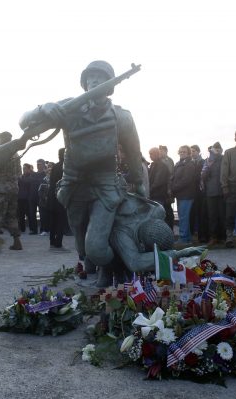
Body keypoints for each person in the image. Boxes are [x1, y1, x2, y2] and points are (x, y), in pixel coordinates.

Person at [19, 60, 144, 283]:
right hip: (73, 186)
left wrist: (139, 182)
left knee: (96, 247)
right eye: (90, 78)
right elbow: (24, 122)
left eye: (101, 77)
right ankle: (91, 264)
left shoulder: (121, 117)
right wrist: (43, 108)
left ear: (110, 84)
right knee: (80, 241)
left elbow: (134, 153)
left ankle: (112, 266)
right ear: (84, 84)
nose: (94, 81)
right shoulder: (69, 108)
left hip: (104, 186)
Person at [0, 131, 23, 250]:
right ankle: (17, 241)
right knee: (11, 216)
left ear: (4, 140)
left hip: (1, 188)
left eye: (0, 139)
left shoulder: (2, 153)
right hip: (13, 188)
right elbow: (19, 173)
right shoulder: (16, 154)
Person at [201, 142, 225, 245]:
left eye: (219, 149)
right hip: (211, 192)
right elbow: (203, 176)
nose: (218, 151)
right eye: (216, 149)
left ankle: (223, 237)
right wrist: (209, 167)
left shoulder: (225, 159)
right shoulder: (208, 161)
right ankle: (213, 237)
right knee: (212, 216)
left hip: (223, 191)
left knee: (223, 215)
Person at [172, 145, 196, 244]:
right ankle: (187, 238)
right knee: (183, 216)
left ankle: (183, 238)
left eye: (184, 152)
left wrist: (174, 187)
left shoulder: (189, 164)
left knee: (183, 217)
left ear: (188, 153)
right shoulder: (179, 164)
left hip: (187, 195)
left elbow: (186, 180)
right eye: (181, 152)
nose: (182, 153)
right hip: (180, 195)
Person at [47, 148, 69, 252]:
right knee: (61, 221)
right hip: (60, 198)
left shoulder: (55, 166)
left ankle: (52, 243)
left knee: (53, 221)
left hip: (52, 197)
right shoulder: (66, 166)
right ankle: (58, 244)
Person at [17, 163, 38, 234]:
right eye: (23, 168)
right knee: (20, 215)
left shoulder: (32, 176)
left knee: (30, 215)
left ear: (29, 169)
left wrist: (19, 178)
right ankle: (21, 229)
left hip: (28, 199)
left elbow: (27, 181)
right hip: (20, 198)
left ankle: (32, 229)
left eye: (25, 168)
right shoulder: (21, 177)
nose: (23, 170)